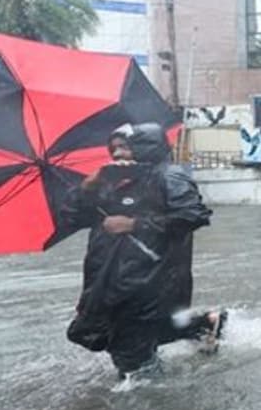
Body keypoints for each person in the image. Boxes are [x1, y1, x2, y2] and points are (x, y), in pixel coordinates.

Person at [62, 123, 222, 378]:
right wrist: (86, 187)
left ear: (146, 147)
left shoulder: (169, 176)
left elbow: (193, 216)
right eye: (113, 149)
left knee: (131, 358)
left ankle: (152, 407)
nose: (117, 155)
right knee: (91, 333)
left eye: (124, 147)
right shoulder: (107, 182)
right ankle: (203, 324)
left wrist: (134, 224)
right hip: (108, 278)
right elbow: (70, 218)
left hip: (150, 281)